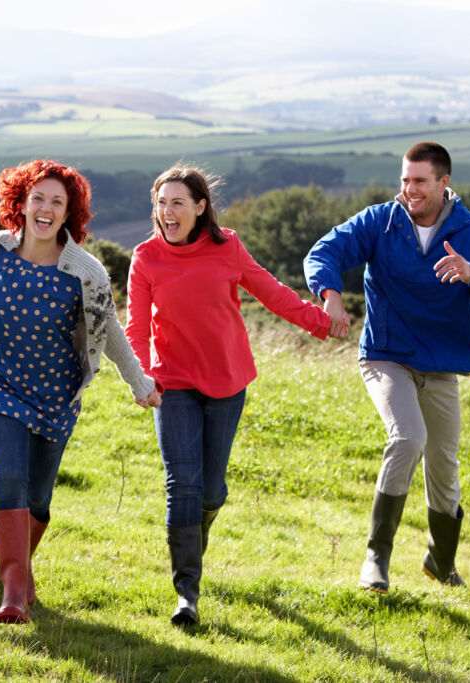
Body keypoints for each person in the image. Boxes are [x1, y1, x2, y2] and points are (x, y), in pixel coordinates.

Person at [0, 159, 160, 624]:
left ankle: (17, 554)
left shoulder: (86, 271)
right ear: (20, 203)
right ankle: (15, 588)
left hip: (57, 398)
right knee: (12, 476)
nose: (45, 208)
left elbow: (110, 330)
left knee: (38, 497)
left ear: (68, 214)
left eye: (57, 202)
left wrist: (139, 382)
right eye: (37, 197)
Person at [125, 165, 344, 627]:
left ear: (200, 207)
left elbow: (273, 293)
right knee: (180, 484)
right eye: (161, 203)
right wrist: (141, 378)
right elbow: (136, 328)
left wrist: (322, 322)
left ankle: (195, 537)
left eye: (177, 203)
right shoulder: (145, 258)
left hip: (227, 382)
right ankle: (187, 593)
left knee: (211, 489)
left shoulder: (228, 247)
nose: (167, 212)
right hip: (174, 382)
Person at [304, 141, 470, 594]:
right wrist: (331, 295)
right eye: (405, 179)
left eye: (420, 181)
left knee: (444, 469)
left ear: (444, 183)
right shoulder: (379, 221)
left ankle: (441, 563)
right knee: (408, 438)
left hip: (440, 365)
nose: (409, 189)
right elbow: (323, 252)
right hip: (386, 355)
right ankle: (375, 559)